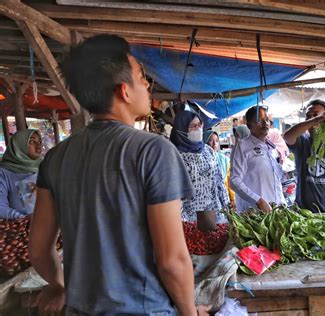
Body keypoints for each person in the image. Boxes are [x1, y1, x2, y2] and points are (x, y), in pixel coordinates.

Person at [29, 35, 208, 315]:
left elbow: (39, 252)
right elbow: (171, 260)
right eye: (141, 77)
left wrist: (62, 284)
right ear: (124, 91)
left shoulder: (55, 157)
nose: (148, 84)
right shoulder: (154, 150)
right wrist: (189, 311)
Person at [170, 110, 229, 231]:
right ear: (181, 130)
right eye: (193, 126)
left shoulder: (208, 150)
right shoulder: (174, 156)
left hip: (217, 213)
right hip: (191, 218)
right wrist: (184, 224)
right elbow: (175, 195)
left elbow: (219, 182)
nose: (198, 129)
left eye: (199, 125)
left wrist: (227, 209)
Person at [283, 100, 325, 213]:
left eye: (316, 114)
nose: (311, 119)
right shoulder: (302, 141)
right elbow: (288, 137)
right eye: (308, 116)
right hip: (303, 211)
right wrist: (317, 119)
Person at [230, 106, 285, 212]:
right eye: (259, 120)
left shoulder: (270, 148)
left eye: (267, 120)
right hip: (253, 214)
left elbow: (275, 182)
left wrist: (282, 203)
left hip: (276, 213)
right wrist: (258, 201)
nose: (265, 123)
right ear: (249, 125)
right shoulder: (242, 146)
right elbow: (234, 181)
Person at [0, 129, 42, 219]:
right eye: (31, 141)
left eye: (39, 141)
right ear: (18, 145)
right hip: (22, 230)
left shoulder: (44, 168)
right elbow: (1, 207)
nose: (38, 146)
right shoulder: (3, 173)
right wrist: (24, 219)